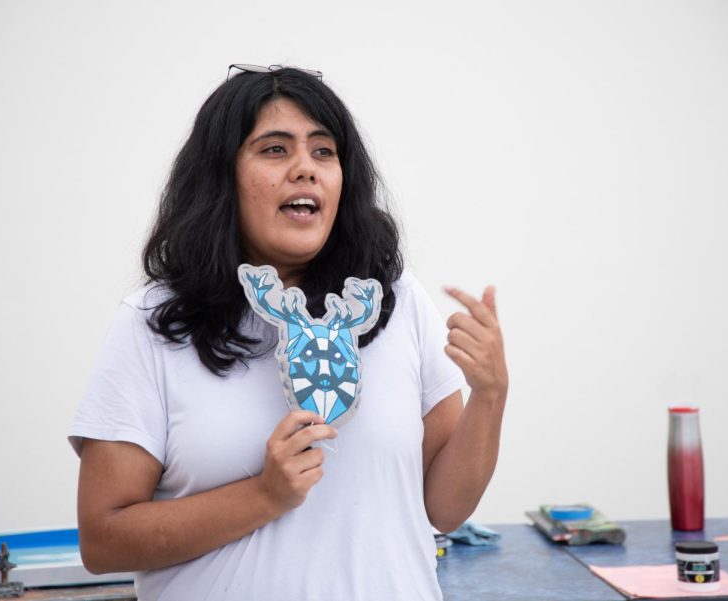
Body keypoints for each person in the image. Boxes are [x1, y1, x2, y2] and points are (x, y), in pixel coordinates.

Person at [69, 65, 508, 601]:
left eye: (323, 151)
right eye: (275, 150)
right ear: (221, 178)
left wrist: (489, 394)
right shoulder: (151, 321)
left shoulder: (395, 299)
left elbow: (445, 508)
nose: (306, 168)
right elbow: (103, 541)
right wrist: (264, 496)